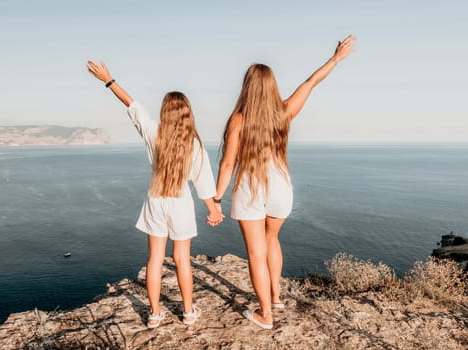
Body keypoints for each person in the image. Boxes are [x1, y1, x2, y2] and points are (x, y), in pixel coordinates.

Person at [214, 35, 356, 329]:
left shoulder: (239, 120)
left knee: (255, 252)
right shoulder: (285, 112)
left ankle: (265, 314)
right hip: (281, 188)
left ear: (248, 86)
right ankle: (276, 297)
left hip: (251, 189)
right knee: (271, 239)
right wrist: (336, 59)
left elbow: (228, 163)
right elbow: (311, 82)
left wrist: (215, 199)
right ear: (271, 86)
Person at [87, 60, 223, 328]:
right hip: (180, 202)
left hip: (156, 200)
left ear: (165, 112)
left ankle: (155, 314)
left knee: (155, 259)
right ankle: (188, 312)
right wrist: (213, 209)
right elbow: (203, 181)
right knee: (182, 259)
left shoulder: (154, 133)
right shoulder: (194, 143)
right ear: (187, 114)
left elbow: (133, 106)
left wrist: (109, 80)